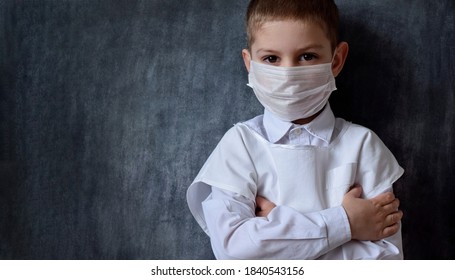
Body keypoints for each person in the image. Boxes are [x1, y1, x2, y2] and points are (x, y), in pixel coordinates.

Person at [187, 0, 404, 259]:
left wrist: (277, 231)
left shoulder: (364, 146)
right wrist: (345, 223)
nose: (288, 74)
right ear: (250, 62)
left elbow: (387, 263)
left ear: (336, 60)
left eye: (307, 56)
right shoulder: (240, 145)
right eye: (271, 58)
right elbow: (234, 254)